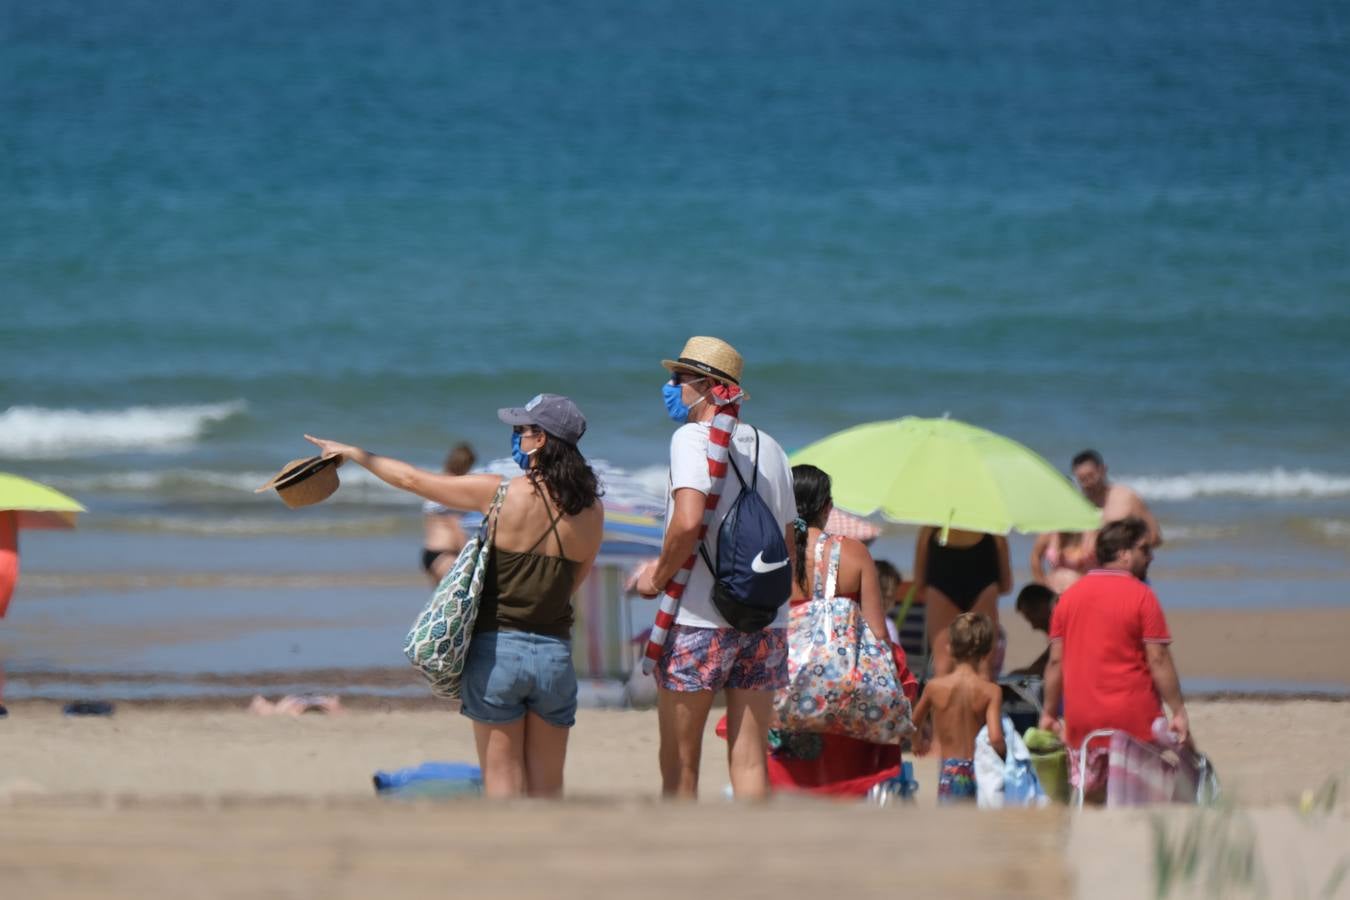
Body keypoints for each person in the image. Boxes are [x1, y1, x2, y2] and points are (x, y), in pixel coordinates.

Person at [304, 393, 604, 798]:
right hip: (554, 655)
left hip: (499, 652)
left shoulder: (500, 494)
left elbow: (413, 480)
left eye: (521, 430)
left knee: (502, 789)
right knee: (547, 792)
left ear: (542, 440)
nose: (514, 436)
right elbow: (575, 582)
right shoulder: (592, 511)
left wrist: (356, 453)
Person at [634, 336, 796, 801]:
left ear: (706, 386)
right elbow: (786, 544)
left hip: (698, 621)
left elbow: (687, 522)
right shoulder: (772, 448)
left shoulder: (692, 438)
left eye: (678, 379)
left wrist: (655, 577)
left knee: (681, 762)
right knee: (749, 758)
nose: (671, 386)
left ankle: (682, 859)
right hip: (765, 619)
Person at [762, 465, 918, 795]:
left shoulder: (770, 553)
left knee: (788, 778)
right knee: (841, 781)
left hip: (782, 686)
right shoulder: (853, 552)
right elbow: (878, 633)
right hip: (842, 688)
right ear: (827, 507)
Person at [1038, 517, 1192, 789]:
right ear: (1123, 553)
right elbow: (1158, 659)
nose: (1151, 557)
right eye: (1144, 550)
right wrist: (1178, 710)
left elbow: (1055, 662)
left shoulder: (1068, 599)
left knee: (1093, 793)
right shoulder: (1142, 596)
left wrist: (1049, 712)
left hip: (1083, 727)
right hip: (1134, 726)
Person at [910, 612, 1005, 805]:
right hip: (979, 769)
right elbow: (995, 737)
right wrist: (1005, 756)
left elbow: (913, 723)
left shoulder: (934, 687)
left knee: (951, 826)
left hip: (950, 770)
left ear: (950, 648)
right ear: (986, 652)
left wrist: (917, 743)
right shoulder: (990, 691)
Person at [912, 526, 1011, 678]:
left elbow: (919, 584)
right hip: (983, 585)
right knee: (983, 667)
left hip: (941, 586)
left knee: (943, 666)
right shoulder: (995, 528)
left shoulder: (930, 528)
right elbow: (1006, 585)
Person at [1071, 450, 1164, 560]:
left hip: (1122, 567)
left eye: (1091, 476)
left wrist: (1129, 550)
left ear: (1103, 470)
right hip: (1090, 571)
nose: (1088, 483)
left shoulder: (1125, 497)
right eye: (1082, 479)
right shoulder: (1078, 506)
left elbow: (1155, 536)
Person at [421, 442, 477, 583]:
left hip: (430, 551)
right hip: (447, 554)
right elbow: (455, 524)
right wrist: (468, 558)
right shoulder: (454, 487)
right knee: (456, 600)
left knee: (439, 603)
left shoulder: (434, 483)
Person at [1007, 583, 1056, 678]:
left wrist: (1026, 673)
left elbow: (1057, 662)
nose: (1034, 627)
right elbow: (1050, 656)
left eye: (1032, 618)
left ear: (1043, 606)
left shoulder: (1068, 623)